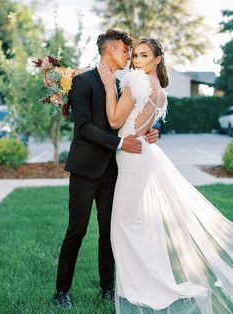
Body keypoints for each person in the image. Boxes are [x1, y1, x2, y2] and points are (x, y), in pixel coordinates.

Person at [98, 38, 233, 313]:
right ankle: (141, 282)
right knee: (137, 225)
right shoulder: (160, 89)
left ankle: (137, 288)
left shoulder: (136, 82)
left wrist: (110, 87)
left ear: (158, 59)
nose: (136, 61)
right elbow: (145, 123)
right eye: (135, 55)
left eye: (144, 55)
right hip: (143, 154)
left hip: (131, 158)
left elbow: (114, 121)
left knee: (123, 227)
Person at [54, 30, 159, 310]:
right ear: (111, 50)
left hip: (113, 171)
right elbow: (84, 126)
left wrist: (152, 130)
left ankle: (107, 288)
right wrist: (120, 143)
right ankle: (61, 290)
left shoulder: (125, 83)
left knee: (108, 233)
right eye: (126, 51)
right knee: (76, 231)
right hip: (85, 169)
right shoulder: (83, 81)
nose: (129, 57)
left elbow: (139, 111)